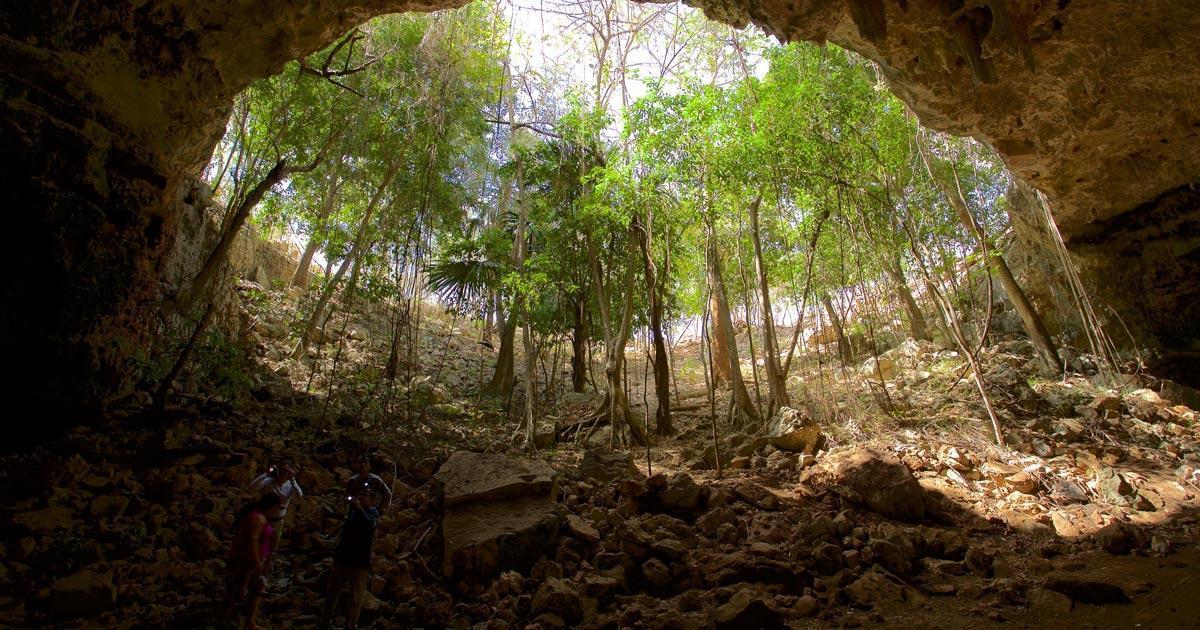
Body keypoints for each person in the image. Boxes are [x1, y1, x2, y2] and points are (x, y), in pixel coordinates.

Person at [319, 484, 380, 630]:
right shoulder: (353, 513)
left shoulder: (372, 512)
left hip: (359, 563)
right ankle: (325, 623)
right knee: (332, 593)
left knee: (356, 597)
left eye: (365, 495)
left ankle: (351, 625)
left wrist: (359, 509)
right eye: (361, 494)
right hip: (343, 559)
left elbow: (369, 526)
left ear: (371, 500)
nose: (361, 497)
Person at [225, 493, 282, 630]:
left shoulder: (260, 516)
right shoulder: (258, 518)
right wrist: (257, 562)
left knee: (248, 588)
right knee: (242, 588)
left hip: (250, 559)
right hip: (248, 560)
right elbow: (253, 540)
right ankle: (236, 619)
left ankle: (244, 620)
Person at [248, 460, 303, 559]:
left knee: (272, 550)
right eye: (281, 470)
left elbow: (299, 497)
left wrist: (293, 479)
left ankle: (264, 572)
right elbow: (252, 487)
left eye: (286, 471)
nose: (283, 473)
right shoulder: (269, 481)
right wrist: (266, 473)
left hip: (278, 521)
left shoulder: (290, 486)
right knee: (258, 547)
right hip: (264, 520)